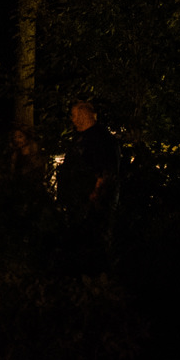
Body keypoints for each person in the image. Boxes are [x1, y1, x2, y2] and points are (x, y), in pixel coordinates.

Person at [59, 101, 120, 272]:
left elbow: (107, 171)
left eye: (74, 115)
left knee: (95, 240)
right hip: (76, 200)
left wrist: (96, 193)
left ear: (84, 115)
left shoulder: (102, 139)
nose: (72, 120)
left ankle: (98, 276)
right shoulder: (80, 137)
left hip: (92, 202)